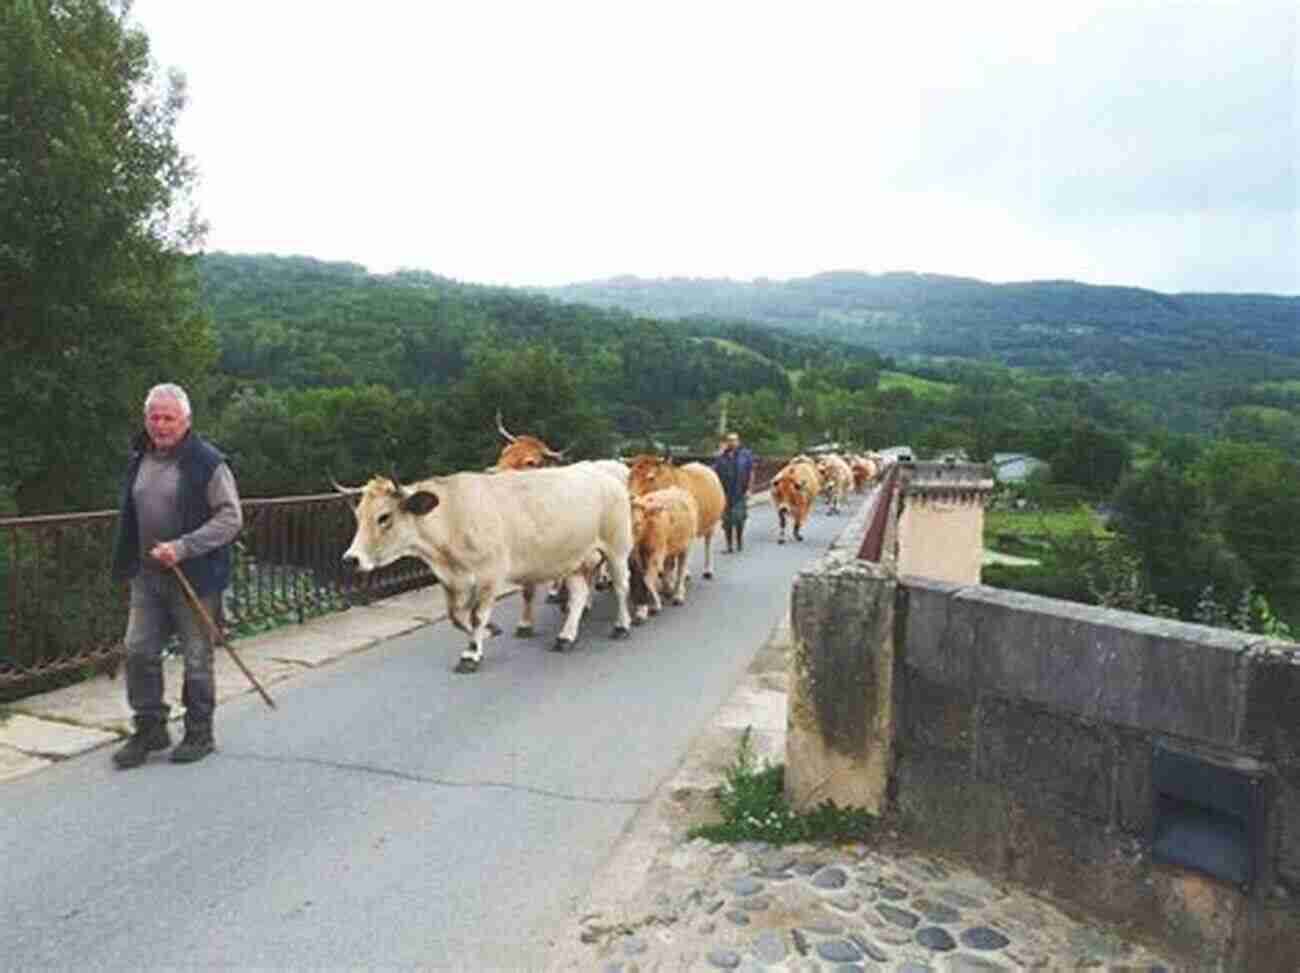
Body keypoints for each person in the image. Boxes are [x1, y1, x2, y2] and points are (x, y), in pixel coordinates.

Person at [110, 383, 243, 768]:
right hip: (147, 576)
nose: (160, 425)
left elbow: (231, 518)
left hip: (195, 578)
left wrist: (183, 547)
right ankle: (150, 728)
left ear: (186, 420)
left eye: (169, 417)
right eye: (154, 417)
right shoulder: (140, 454)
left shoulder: (208, 462)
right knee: (138, 651)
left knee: (197, 657)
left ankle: (199, 732)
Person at [713, 431, 754, 553]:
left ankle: (739, 541)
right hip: (725, 492)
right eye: (730, 440)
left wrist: (749, 489)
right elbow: (715, 473)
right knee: (727, 521)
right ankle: (729, 545)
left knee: (739, 518)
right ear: (726, 442)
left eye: (734, 440)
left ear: (738, 442)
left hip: (740, 491)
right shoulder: (721, 458)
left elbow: (751, 473)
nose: (732, 442)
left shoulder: (746, 455)